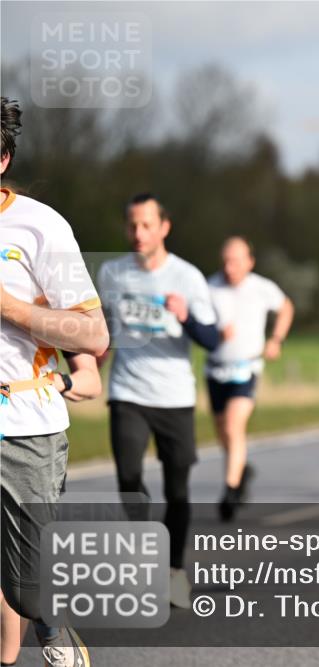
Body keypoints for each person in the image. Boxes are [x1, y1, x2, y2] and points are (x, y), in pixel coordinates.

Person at [0, 96, 108, 667]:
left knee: (27, 589)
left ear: (2, 159)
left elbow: (92, 333)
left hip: (23, 426)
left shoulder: (42, 227)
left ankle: (48, 618)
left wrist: (11, 308)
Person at [98, 193, 220, 609]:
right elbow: (102, 330)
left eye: (147, 225)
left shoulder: (187, 277)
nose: (138, 233)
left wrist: (186, 316)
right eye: (132, 225)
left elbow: (212, 339)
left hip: (174, 395)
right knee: (129, 478)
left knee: (177, 489)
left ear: (164, 227)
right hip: (127, 392)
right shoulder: (112, 273)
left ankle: (173, 570)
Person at [1, 353, 102, 667]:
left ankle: (52, 632)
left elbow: (91, 375)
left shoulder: (45, 317)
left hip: (28, 434)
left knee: (24, 585)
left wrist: (63, 382)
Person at [206, 237, 295, 521]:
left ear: (249, 262)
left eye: (235, 261)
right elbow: (198, 323)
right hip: (215, 368)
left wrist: (276, 339)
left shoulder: (261, 287)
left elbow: (286, 307)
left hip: (247, 367)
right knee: (223, 431)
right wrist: (215, 334)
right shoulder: (210, 287)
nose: (229, 267)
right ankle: (240, 470)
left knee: (234, 425)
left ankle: (230, 491)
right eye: (225, 261)